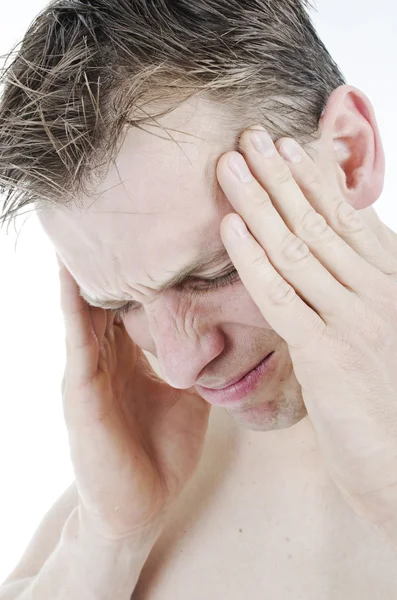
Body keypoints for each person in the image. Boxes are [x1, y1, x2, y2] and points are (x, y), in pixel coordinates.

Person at [1, 0, 397, 598]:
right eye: (121, 304)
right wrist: (108, 538)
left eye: (214, 272)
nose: (182, 367)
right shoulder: (158, 465)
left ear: (348, 155)